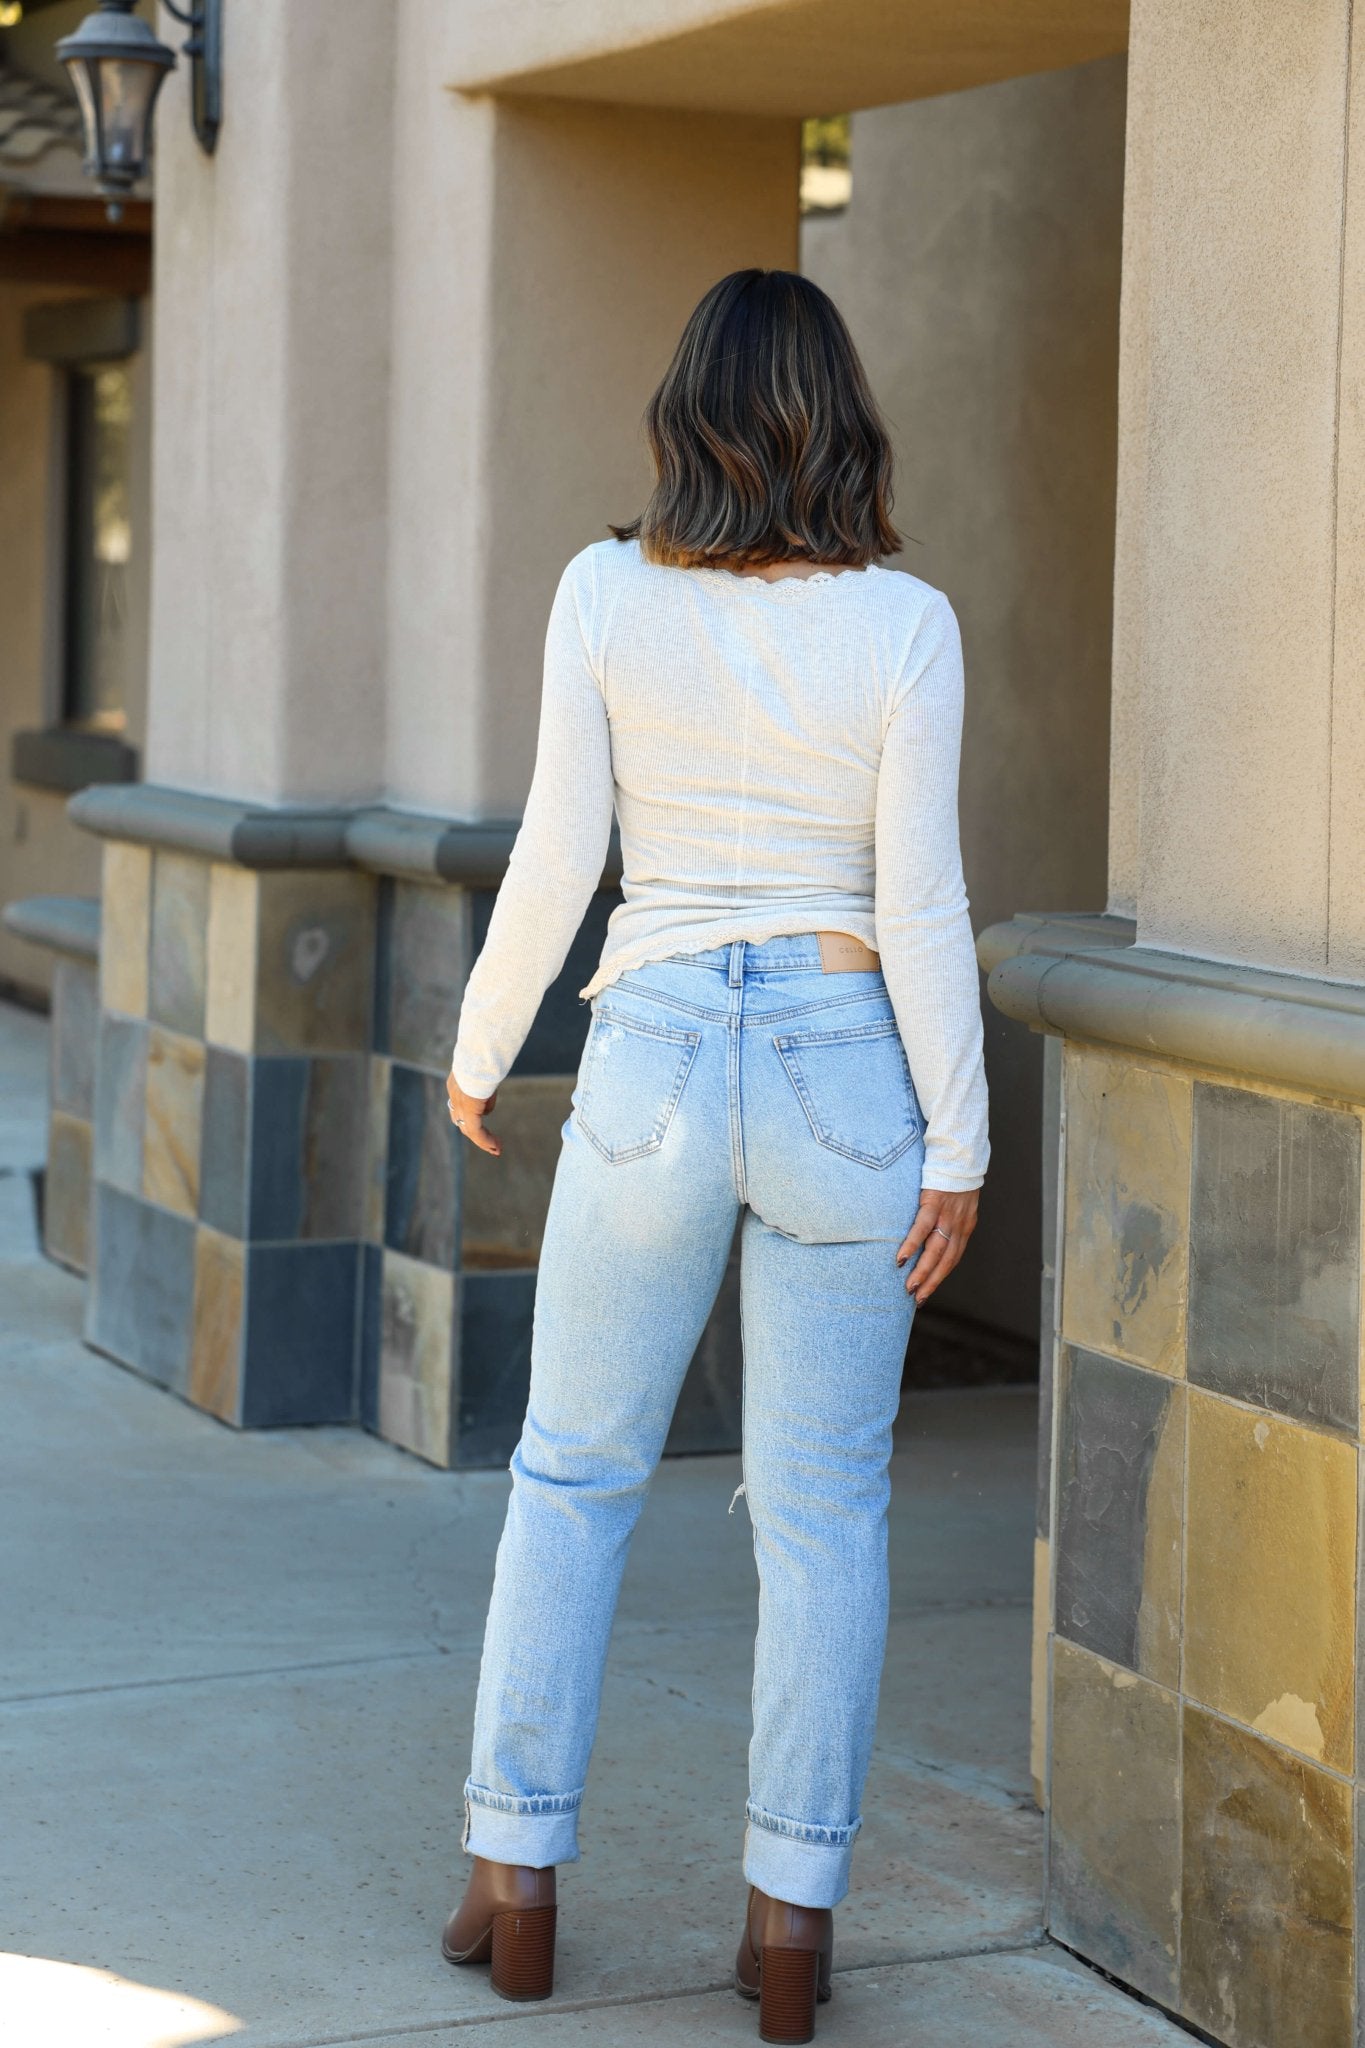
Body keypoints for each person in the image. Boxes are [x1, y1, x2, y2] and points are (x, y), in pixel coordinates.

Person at [440, 268, 989, 2045]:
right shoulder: (907, 624)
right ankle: (787, 1935)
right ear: (841, 417)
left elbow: (557, 850)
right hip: (846, 1069)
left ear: (683, 414)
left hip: (654, 1047)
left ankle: (516, 1884)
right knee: (824, 1520)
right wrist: (958, 1144)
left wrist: (478, 1040)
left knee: (573, 1475)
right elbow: (918, 902)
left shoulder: (603, 593)